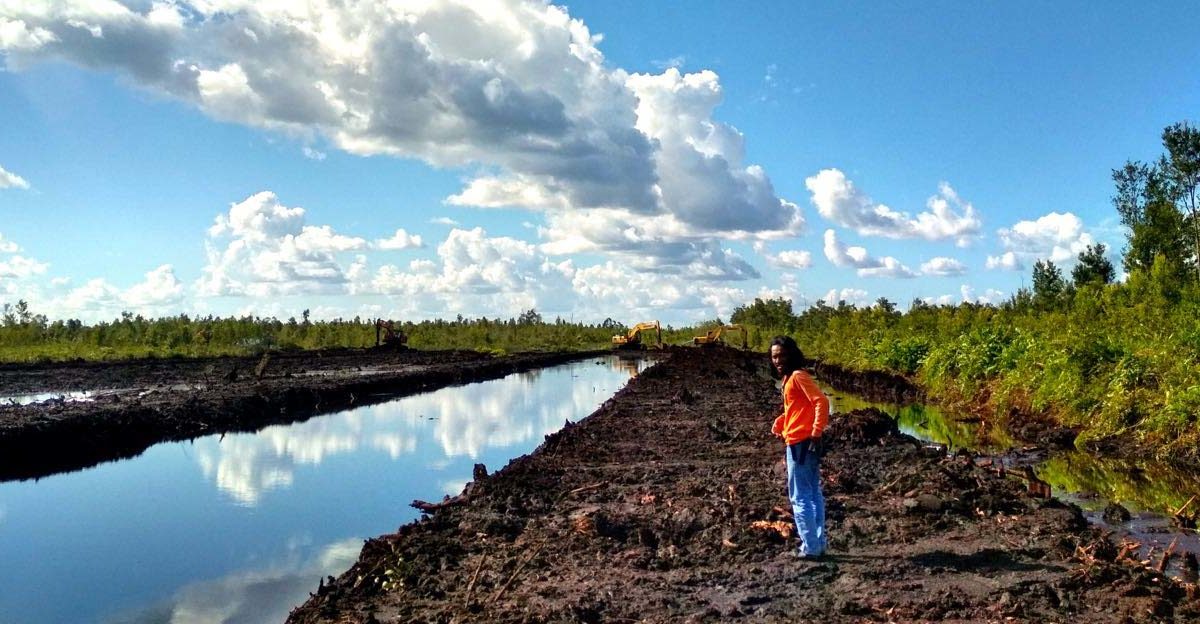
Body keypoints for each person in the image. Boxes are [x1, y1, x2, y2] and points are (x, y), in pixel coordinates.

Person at [769, 335, 830, 559]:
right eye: (774, 356)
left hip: (800, 442)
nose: (778, 360)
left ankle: (811, 547)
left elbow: (821, 401)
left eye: (782, 355)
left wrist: (816, 431)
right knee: (812, 492)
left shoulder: (797, 377)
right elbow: (799, 408)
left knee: (800, 496)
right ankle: (818, 543)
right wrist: (783, 421)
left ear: (792, 355)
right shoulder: (789, 380)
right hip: (802, 439)